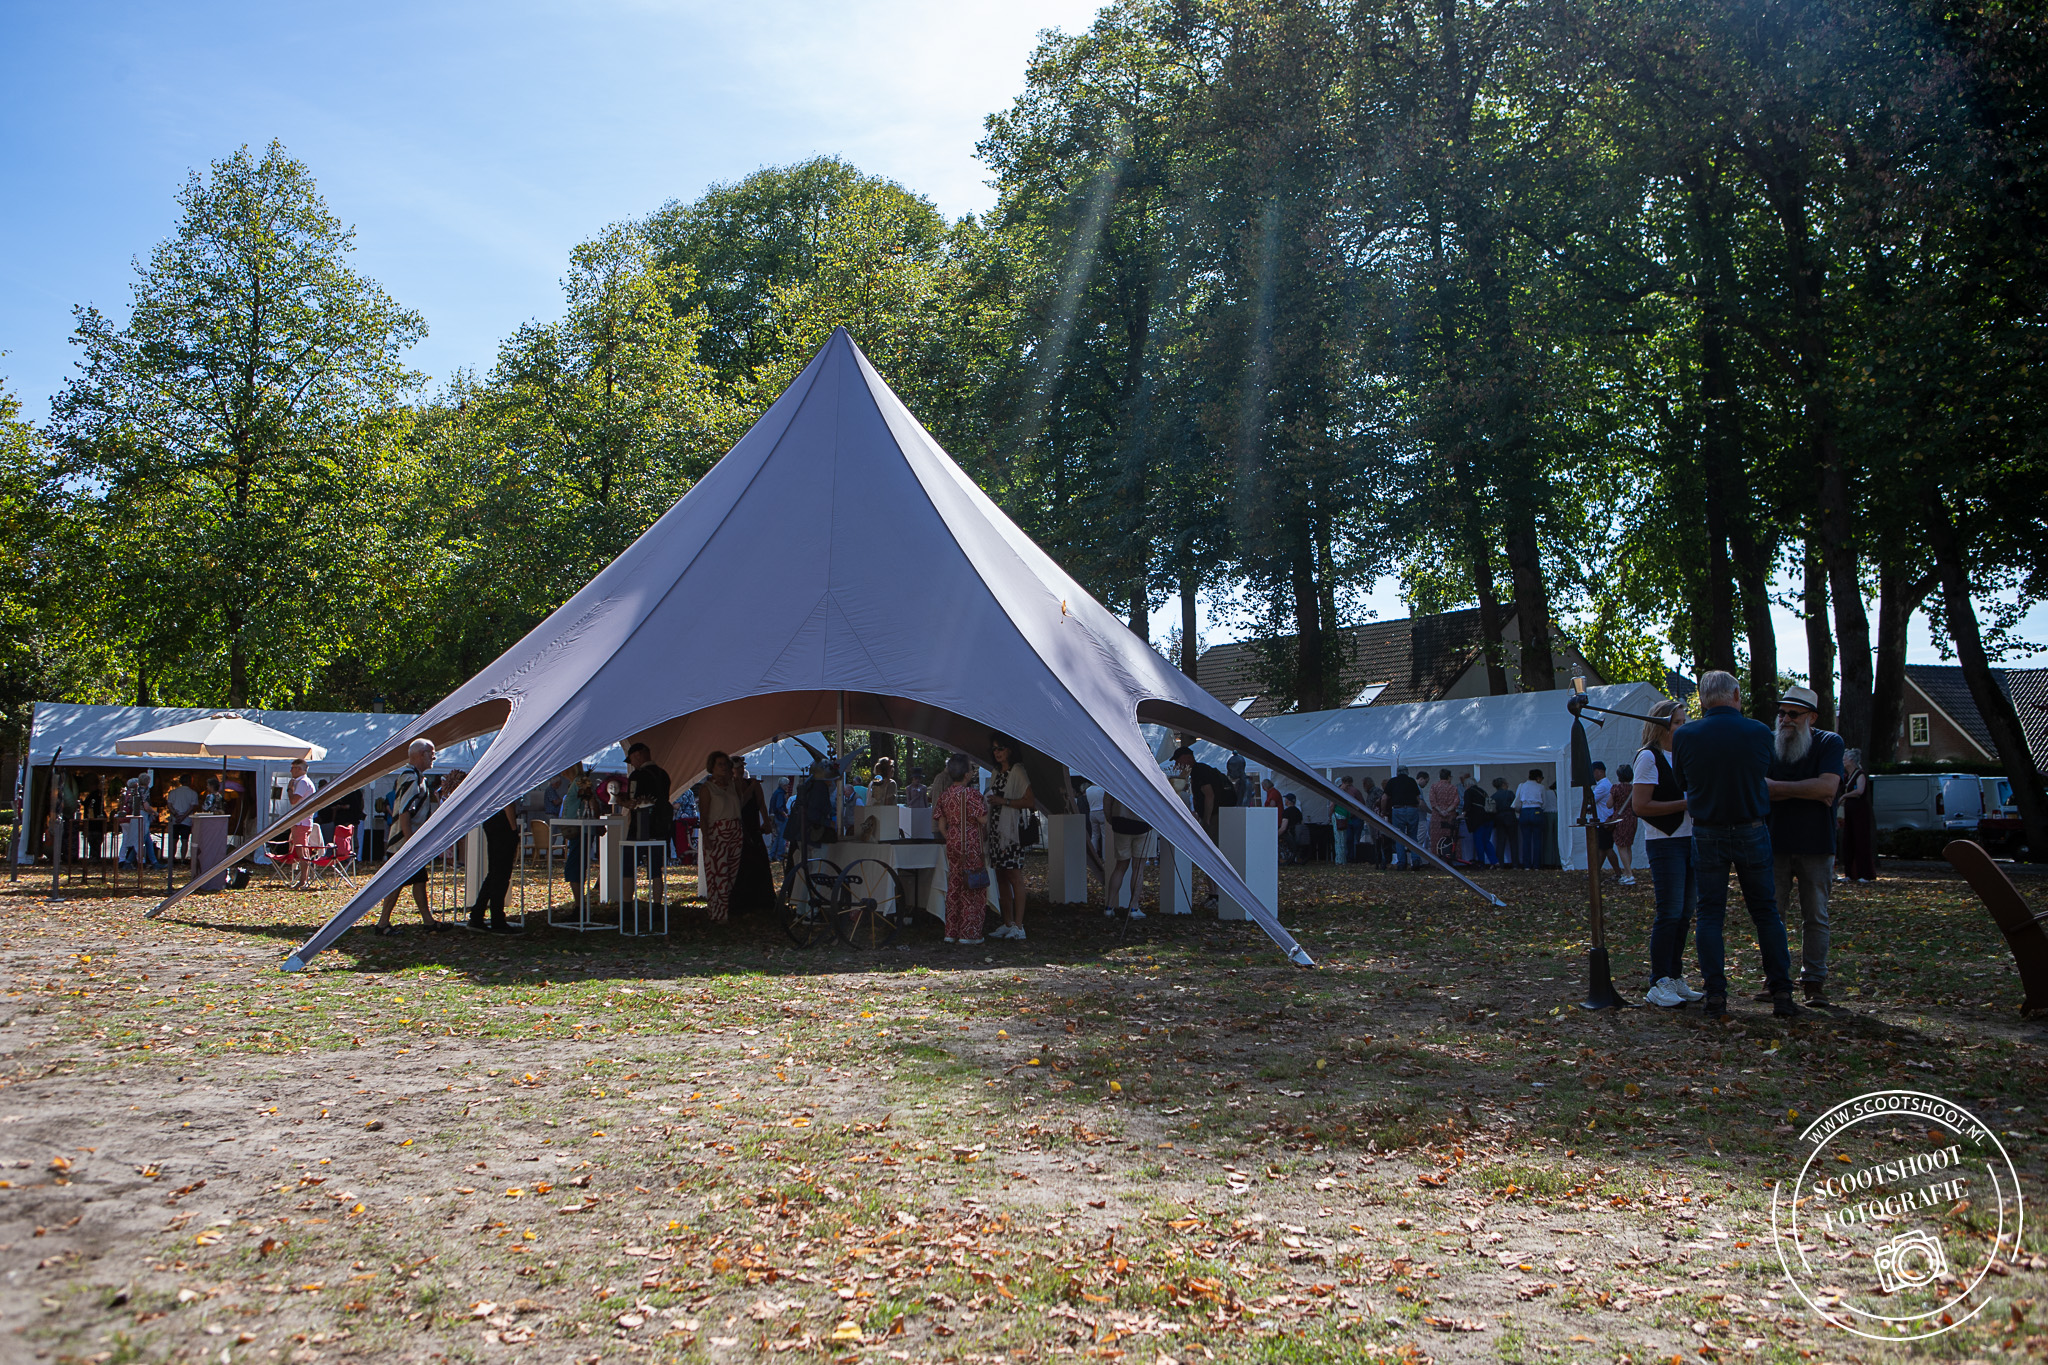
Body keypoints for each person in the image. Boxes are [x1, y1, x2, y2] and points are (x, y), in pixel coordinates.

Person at [1671, 670, 1801, 1018]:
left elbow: (1682, 781)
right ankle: (1782, 992)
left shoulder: (1685, 735)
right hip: (1751, 827)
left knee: (1710, 914)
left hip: (1707, 830)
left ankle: (1716, 994)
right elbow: (1766, 772)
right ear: (1736, 695)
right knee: (1766, 912)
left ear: (1703, 699)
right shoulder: (1758, 732)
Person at [1766, 685, 1844, 1006]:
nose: (1785, 719)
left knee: (1815, 915)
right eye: (1781, 713)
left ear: (1811, 717)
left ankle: (1814, 982)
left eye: (1793, 714)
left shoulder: (1829, 742)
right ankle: (1775, 980)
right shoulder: (1770, 745)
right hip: (1774, 843)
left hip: (1816, 844)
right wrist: (1807, 790)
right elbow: (1760, 789)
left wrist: (1778, 788)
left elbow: (1827, 789)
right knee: (1772, 915)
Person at [1634, 698, 1703, 1007]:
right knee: (1670, 912)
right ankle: (1659, 980)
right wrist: (1685, 804)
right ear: (1661, 726)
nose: (1682, 728)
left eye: (1684, 722)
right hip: (1665, 841)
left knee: (1685, 913)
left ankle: (1675, 975)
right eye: (1677, 723)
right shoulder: (1649, 757)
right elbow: (1641, 806)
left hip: (1691, 839)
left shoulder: (1686, 756)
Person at [373, 740, 451, 935]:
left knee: (419, 880)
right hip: (403, 842)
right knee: (397, 882)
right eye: (431, 752)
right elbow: (405, 811)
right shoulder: (410, 777)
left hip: (409, 840)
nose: (434, 757)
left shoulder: (417, 777)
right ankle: (382, 924)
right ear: (421, 754)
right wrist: (410, 842)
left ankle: (428, 921)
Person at [932, 753, 989, 942]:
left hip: (953, 842)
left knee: (955, 884)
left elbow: (941, 825)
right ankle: (969, 933)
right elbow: (983, 819)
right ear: (967, 774)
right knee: (972, 886)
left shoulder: (945, 795)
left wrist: (951, 837)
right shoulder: (972, 795)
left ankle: (951, 932)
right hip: (971, 844)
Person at [985, 734, 1036, 939]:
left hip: (1012, 832)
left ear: (1010, 750)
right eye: (994, 749)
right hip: (996, 830)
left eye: (1000, 748)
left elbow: (1030, 801)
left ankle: (1019, 925)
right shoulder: (996, 772)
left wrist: (1004, 801)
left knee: (1014, 876)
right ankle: (1007, 922)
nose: (997, 753)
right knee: (1001, 876)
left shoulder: (1018, 771)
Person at [623, 742, 671, 905]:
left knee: (628, 867)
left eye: (631, 759)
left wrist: (622, 801)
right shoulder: (663, 774)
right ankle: (657, 905)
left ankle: (627, 905)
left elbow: (632, 801)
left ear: (637, 755)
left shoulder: (637, 776)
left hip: (639, 828)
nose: (632, 764)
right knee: (656, 870)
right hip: (660, 828)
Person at [698, 751, 743, 922]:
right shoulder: (707, 788)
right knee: (717, 873)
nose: (724, 767)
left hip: (735, 831)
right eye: (720, 764)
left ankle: (724, 908)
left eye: (726, 764)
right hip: (717, 833)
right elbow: (704, 815)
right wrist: (707, 837)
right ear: (712, 767)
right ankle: (717, 912)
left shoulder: (732, 785)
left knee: (731, 874)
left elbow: (741, 802)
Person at [466, 803, 524, 933]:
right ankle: (497, 920)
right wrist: (513, 829)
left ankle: (477, 915)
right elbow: (508, 804)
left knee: (494, 873)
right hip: (503, 825)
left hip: (491, 821)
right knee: (501, 875)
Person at [732, 756, 776, 915]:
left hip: (753, 826)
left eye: (741, 767)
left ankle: (762, 900)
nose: (740, 770)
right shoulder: (731, 786)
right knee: (741, 863)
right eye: (737, 768)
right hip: (739, 827)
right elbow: (739, 804)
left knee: (759, 860)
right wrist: (751, 788)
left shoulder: (752, 783)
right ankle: (741, 901)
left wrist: (767, 822)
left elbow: (762, 804)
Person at [1103, 790, 1152, 915]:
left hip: (1120, 822)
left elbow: (1107, 800)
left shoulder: (1115, 779)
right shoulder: (1147, 779)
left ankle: (1109, 906)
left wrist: (1111, 818)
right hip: (1142, 822)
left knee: (1120, 867)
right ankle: (1134, 907)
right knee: (1138, 868)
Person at [1838, 749, 1877, 882]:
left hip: (1859, 812)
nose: (1843, 760)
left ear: (1851, 760)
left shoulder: (1860, 774)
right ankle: (1849, 874)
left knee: (1860, 840)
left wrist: (1844, 796)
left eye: (1845, 758)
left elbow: (1859, 791)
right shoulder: (1846, 776)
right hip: (1849, 812)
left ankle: (1865, 874)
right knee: (1848, 841)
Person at [285, 757, 320, 889]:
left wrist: (289, 789)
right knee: (301, 850)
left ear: (299, 769)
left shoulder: (303, 782)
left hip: (301, 822)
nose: (290, 771)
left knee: (302, 851)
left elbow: (294, 800)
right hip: (301, 821)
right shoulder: (304, 782)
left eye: (292, 768)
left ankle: (303, 880)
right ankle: (303, 879)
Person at [1385, 766, 1422, 869]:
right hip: (1412, 809)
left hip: (1398, 809)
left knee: (1399, 836)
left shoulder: (1392, 781)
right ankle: (1415, 860)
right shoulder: (1412, 781)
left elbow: (1384, 798)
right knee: (1413, 836)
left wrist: (1384, 811)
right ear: (1407, 772)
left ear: (1397, 772)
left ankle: (1401, 863)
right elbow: (1418, 798)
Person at [1609, 763, 1638, 885]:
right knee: (1628, 846)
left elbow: (1609, 804)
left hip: (1620, 819)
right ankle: (1627, 872)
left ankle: (1629, 874)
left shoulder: (1616, 788)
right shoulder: (1634, 788)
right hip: (1632, 818)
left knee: (1621, 846)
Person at [1426, 769, 1462, 864]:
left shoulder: (1434, 786)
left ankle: (1436, 859)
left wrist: (1440, 811)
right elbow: (1456, 802)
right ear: (1449, 777)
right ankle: (1449, 858)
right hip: (1450, 816)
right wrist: (1447, 810)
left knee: (1436, 839)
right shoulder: (1453, 788)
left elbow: (1433, 801)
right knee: (1450, 837)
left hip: (1437, 817)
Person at [1515, 769, 1547, 869]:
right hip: (1537, 810)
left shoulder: (1521, 786)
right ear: (1538, 778)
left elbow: (1517, 800)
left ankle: (1526, 865)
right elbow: (1544, 803)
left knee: (1526, 840)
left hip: (1525, 811)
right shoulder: (1541, 787)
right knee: (1537, 840)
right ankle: (1536, 865)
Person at [165, 774, 199, 863]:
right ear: (190, 782)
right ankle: (183, 859)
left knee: (173, 840)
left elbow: (169, 805)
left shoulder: (173, 792)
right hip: (186, 820)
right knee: (184, 840)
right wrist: (183, 816)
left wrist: (176, 815)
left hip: (175, 819)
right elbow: (192, 807)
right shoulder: (193, 793)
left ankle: (171, 858)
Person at [1464, 775, 1494, 865]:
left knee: (1479, 841)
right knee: (1486, 841)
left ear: (1467, 785)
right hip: (1488, 818)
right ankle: (1494, 861)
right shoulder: (1483, 791)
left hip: (1477, 820)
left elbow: (1467, 806)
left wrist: (1462, 814)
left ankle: (1481, 861)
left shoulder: (1469, 792)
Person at [1337, 777, 1367, 863]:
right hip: (1352, 817)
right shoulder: (1355, 791)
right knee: (1353, 839)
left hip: (1353, 817)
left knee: (1350, 839)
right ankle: (1352, 857)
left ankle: (1352, 857)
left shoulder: (1351, 791)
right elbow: (1362, 803)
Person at [1490, 778, 1517, 867]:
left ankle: (1500, 863)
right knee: (1513, 841)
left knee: (1500, 842)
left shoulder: (1494, 796)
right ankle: (1515, 864)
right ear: (1503, 784)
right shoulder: (1510, 793)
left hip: (1499, 818)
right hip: (1510, 817)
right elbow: (1515, 805)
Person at [767, 777, 793, 860]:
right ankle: (779, 855)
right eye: (787, 785)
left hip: (776, 817)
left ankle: (772, 854)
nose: (788, 786)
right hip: (780, 818)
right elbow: (779, 806)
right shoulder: (780, 794)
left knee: (778, 837)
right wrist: (785, 814)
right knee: (782, 837)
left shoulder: (776, 792)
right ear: (784, 785)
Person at [1278, 794, 1305, 864]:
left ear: (1287, 801)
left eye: (1285, 800)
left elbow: (1283, 828)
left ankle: (1281, 858)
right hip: (1298, 834)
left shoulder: (1286, 812)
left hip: (1289, 834)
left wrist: (1275, 835)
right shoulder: (1298, 811)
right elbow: (1302, 823)